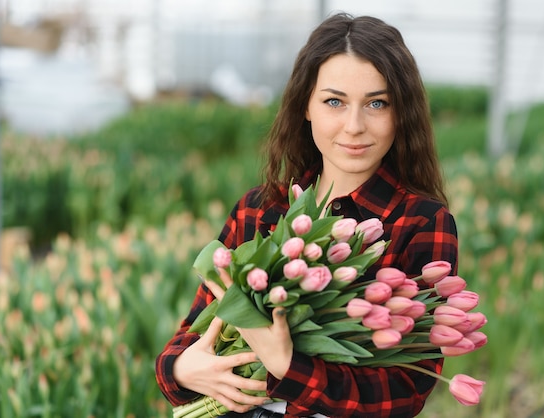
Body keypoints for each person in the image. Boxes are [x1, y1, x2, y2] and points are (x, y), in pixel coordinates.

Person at [156, 13, 458, 418]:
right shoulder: (261, 208)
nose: (354, 126)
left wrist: (287, 367)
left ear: (401, 113)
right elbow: (189, 335)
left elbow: (407, 392)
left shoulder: (419, 221)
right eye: (335, 101)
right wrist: (180, 369)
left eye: (377, 103)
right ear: (306, 107)